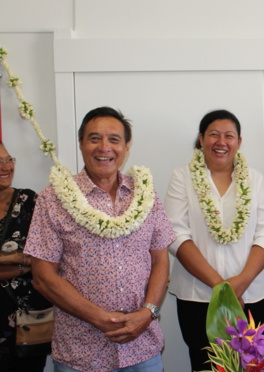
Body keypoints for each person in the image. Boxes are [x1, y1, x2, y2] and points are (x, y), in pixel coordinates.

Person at [24, 107, 176, 372]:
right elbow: (43, 278)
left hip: (142, 347)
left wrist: (148, 312)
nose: (104, 147)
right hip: (80, 353)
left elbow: (160, 259)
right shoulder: (53, 199)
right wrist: (101, 319)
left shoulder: (145, 195)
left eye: (114, 140)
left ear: (127, 147)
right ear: (81, 144)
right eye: (94, 138)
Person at [164, 109, 264, 371]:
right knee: (206, 366)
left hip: (252, 296)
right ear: (201, 139)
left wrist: (241, 282)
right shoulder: (182, 177)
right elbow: (176, 235)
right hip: (199, 299)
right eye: (214, 135)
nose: (222, 142)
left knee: (254, 366)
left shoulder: (255, 179)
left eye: (229, 136)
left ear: (239, 142)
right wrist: (223, 289)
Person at [0, 143, 51, 372]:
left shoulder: (29, 201)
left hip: (27, 319)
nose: (6, 167)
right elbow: (30, 258)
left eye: (9, 159)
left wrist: (12, 262)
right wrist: (19, 259)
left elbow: (46, 256)